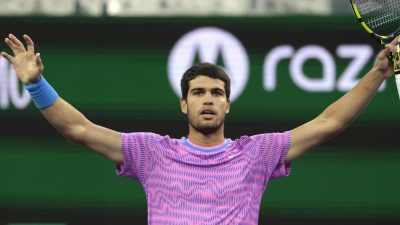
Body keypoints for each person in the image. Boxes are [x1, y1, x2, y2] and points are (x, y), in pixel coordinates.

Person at [1, 33, 398, 225]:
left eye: (216, 93)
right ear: (183, 103)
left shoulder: (257, 153)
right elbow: (80, 130)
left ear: (228, 103)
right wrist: (35, 84)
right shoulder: (151, 152)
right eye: (198, 92)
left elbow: (331, 122)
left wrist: (380, 71)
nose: (207, 99)